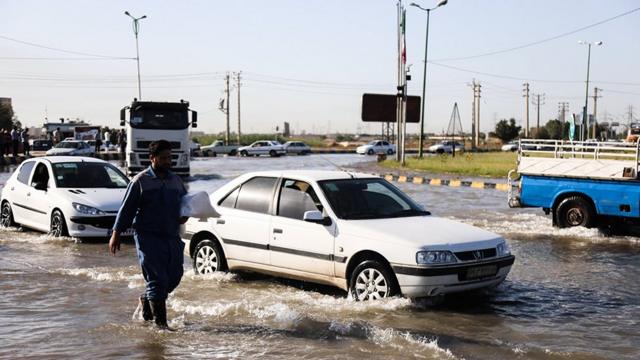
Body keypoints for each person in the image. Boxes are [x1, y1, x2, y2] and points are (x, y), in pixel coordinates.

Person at [109, 140, 188, 329]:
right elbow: (126, 209)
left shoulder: (176, 180)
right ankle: (161, 327)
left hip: (171, 235)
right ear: (152, 159)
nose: (168, 161)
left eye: (170, 158)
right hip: (148, 237)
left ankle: (147, 298)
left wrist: (186, 214)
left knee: (175, 276)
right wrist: (116, 233)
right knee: (157, 279)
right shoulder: (140, 181)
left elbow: (185, 202)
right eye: (163, 158)